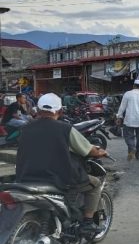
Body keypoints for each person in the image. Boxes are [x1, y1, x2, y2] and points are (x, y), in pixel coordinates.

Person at [15, 93, 107, 235]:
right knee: (95, 184)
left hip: (26, 177)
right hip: (58, 178)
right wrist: (101, 152)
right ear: (59, 111)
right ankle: (87, 223)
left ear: (37, 111)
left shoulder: (25, 129)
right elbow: (89, 150)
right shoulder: (65, 129)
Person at [117, 79, 139, 160]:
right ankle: (137, 154)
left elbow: (122, 107)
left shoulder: (127, 94)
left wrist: (119, 117)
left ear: (133, 86)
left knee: (128, 137)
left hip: (129, 120)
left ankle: (132, 148)